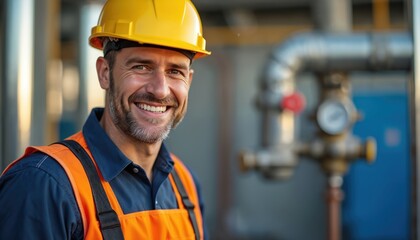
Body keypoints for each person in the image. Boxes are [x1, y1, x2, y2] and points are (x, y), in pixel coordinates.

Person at [0, 0, 211, 239]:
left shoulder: (185, 183)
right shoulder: (44, 186)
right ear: (104, 73)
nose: (160, 90)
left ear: (189, 81)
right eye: (141, 67)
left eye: (175, 71)